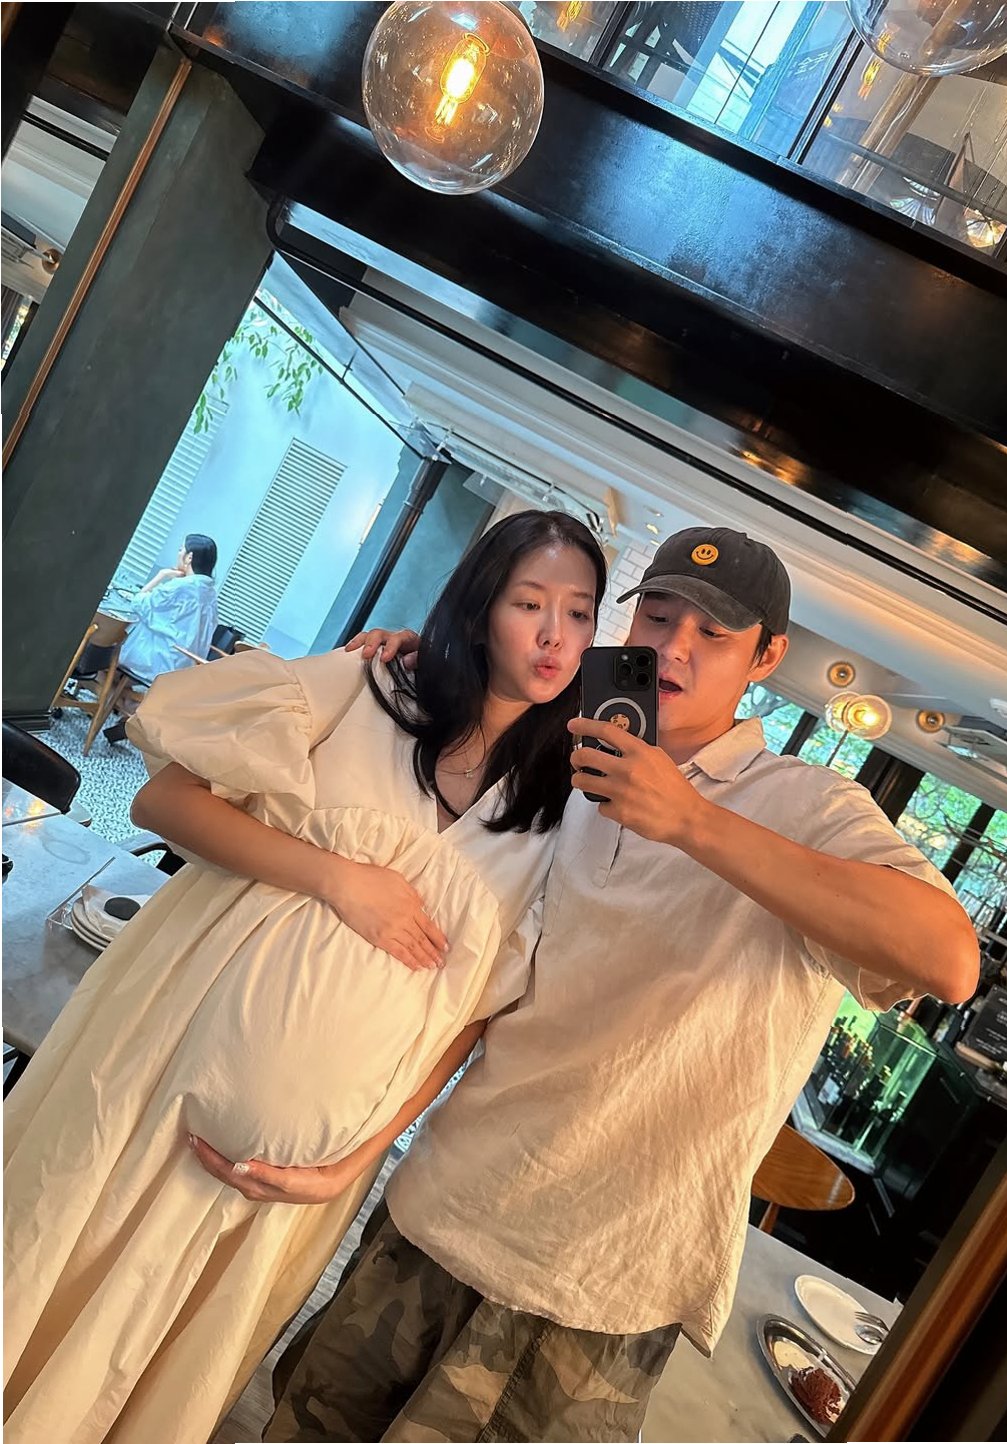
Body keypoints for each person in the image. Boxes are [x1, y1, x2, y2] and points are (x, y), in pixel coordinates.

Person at [259, 527, 980, 1444]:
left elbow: (949, 959)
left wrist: (693, 821)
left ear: (766, 658)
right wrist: (416, 654)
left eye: (713, 634)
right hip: (438, 1207)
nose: (673, 648)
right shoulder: (567, 757)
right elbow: (489, 991)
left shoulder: (811, 806)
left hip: (596, 1290)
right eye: (658, 616)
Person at [3, 511, 607, 1444]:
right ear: (482, 606)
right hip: (151, 1079)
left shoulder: (557, 810)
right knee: (38, 1280)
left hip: (283, 1188)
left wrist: (351, 1165)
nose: (555, 635)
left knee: (133, 1381)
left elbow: (475, 1015)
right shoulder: (366, 688)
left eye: (580, 612)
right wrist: (337, 877)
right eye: (531, 603)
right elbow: (164, 800)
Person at [118, 532, 221, 683]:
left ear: (189, 557)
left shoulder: (181, 586)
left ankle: (108, 691)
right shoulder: (209, 593)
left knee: (106, 647)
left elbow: (138, 603)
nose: (178, 554)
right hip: (182, 668)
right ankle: (121, 694)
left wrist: (162, 575)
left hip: (158, 660)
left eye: (180, 550)